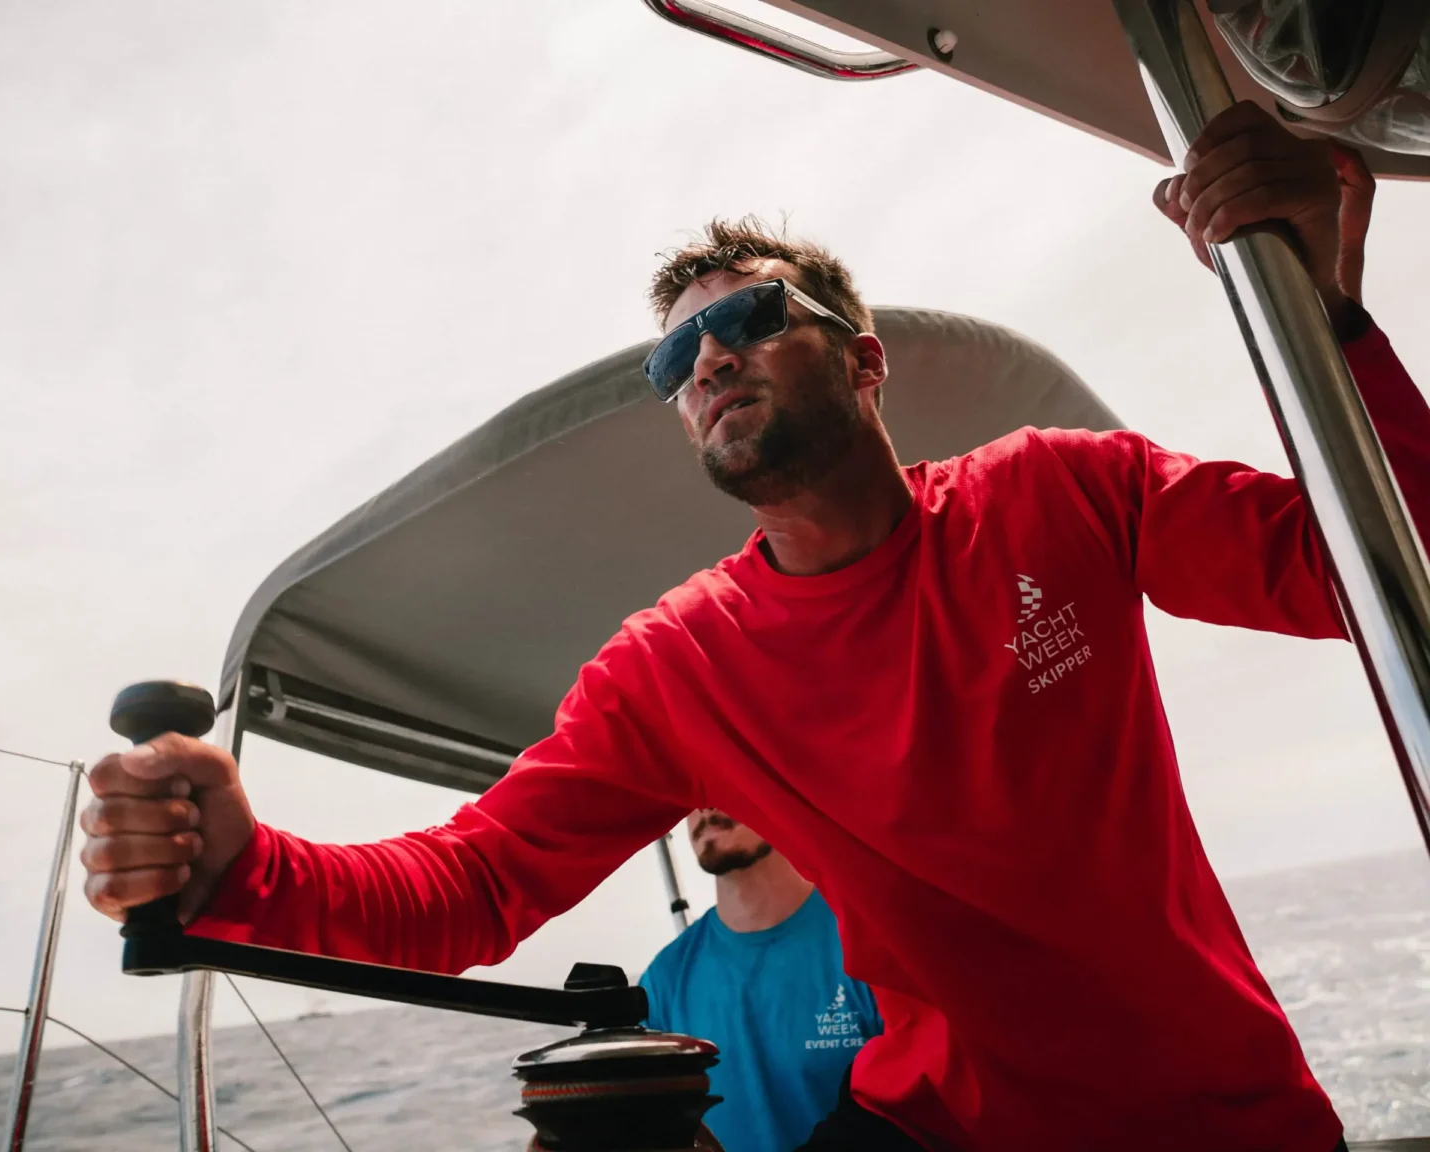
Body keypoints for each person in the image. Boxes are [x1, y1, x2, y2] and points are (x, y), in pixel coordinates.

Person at [78, 102, 1410, 1151]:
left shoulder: (1060, 491)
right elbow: (470, 892)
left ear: (865, 355)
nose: (706, 360)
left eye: (749, 320)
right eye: (677, 356)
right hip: (930, 1129)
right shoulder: (672, 667)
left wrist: (1330, 315)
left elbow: (1375, 571)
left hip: (1217, 1117)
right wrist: (243, 873)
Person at [639, 809, 882, 1152]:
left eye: (724, 780)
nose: (705, 807)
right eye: (694, 793)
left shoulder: (872, 947)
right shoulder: (663, 981)